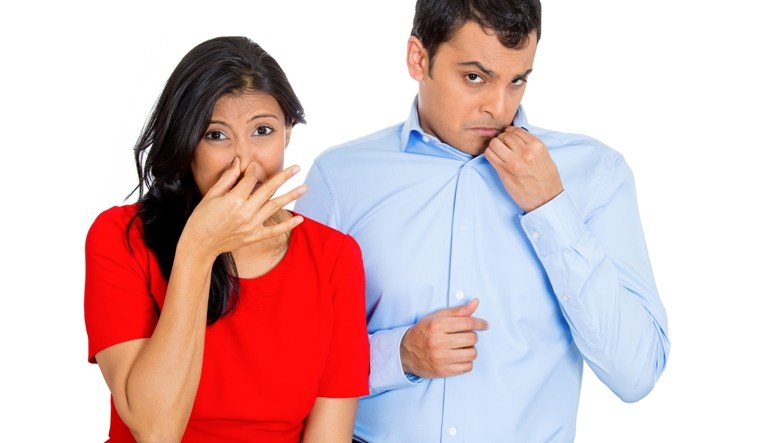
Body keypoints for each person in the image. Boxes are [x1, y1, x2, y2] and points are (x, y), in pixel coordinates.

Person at [294, 0, 670, 441]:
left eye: (517, 81)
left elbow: (636, 373)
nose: (498, 107)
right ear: (418, 58)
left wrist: (550, 207)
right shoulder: (342, 178)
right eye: (475, 77)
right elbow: (292, 358)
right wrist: (399, 355)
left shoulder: (594, 175)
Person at [84, 36, 369, 442]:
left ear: (288, 134)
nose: (243, 160)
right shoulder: (121, 238)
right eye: (216, 135)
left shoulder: (333, 256)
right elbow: (154, 429)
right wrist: (199, 250)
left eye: (263, 131)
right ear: (186, 143)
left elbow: (329, 434)